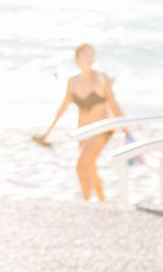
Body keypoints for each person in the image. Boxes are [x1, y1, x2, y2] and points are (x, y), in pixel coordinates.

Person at [34, 43, 127, 202]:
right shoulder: (73, 81)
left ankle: (86, 203)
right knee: (90, 168)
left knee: (81, 166)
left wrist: (125, 128)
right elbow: (62, 108)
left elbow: (113, 103)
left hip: (101, 130)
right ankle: (102, 200)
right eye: (85, 55)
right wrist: (48, 132)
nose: (89, 58)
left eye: (92, 55)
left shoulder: (101, 78)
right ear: (77, 58)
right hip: (82, 131)